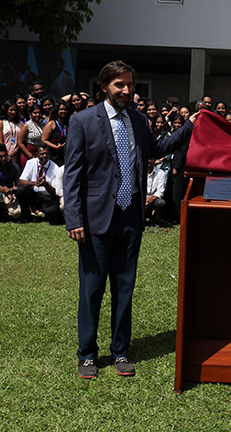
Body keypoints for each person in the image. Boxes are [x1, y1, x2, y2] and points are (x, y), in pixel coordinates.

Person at [64, 60, 195, 380]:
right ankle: (87, 355)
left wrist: (189, 126)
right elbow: (73, 173)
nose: (127, 90)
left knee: (124, 289)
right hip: (95, 220)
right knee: (91, 289)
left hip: (130, 217)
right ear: (104, 86)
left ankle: (121, 350)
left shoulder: (138, 120)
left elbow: (156, 150)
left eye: (130, 85)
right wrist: (74, 219)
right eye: (120, 85)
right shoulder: (82, 120)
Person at [17, 144, 62, 224]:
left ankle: (47, 214)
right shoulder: (31, 163)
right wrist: (35, 183)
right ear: (36, 155)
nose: (44, 156)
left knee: (53, 215)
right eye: (41, 154)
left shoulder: (55, 168)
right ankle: (26, 216)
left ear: (49, 155)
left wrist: (45, 184)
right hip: (33, 194)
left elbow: (55, 192)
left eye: (46, 154)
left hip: (46, 196)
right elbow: (21, 182)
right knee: (21, 190)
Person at [41, 99, 70, 166]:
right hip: (54, 156)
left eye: (65, 109)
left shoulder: (68, 123)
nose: (64, 111)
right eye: (61, 109)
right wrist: (56, 147)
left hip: (66, 156)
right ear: (56, 111)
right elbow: (44, 140)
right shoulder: (51, 124)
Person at [0, 100, 24, 165]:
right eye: (11, 110)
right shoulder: (1, 123)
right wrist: (7, 153)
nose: (13, 112)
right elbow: (0, 141)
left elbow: (22, 140)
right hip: (5, 153)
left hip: (17, 152)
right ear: (6, 110)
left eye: (15, 110)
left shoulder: (20, 123)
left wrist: (14, 152)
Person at [144, 158, 167, 226]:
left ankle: (154, 221)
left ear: (154, 160)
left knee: (161, 203)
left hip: (153, 198)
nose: (149, 161)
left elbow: (160, 191)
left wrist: (150, 199)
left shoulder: (160, 173)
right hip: (141, 197)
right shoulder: (139, 172)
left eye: (151, 159)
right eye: (148, 158)